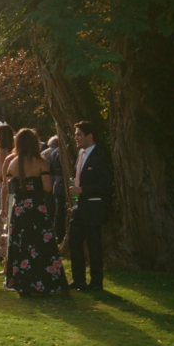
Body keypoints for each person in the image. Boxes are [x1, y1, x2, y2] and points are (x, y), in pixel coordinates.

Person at [4, 128, 70, 297]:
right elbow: (48, 187)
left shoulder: (13, 163)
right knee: (41, 244)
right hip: (36, 209)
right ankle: (45, 281)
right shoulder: (40, 163)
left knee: (21, 245)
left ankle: (22, 283)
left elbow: (8, 186)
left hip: (19, 209)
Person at [68, 121, 111, 292]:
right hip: (79, 207)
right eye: (75, 134)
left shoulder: (100, 157)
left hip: (93, 208)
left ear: (89, 136)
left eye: (79, 134)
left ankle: (96, 282)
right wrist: (75, 190)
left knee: (94, 246)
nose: (76, 138)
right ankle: (78, 280)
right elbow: (77, 176)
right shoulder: (80, 154)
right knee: (74, 243)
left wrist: (83, 190)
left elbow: (106, 184)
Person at [0, 124, 15, 267]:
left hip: (3, 187)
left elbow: (1, 174)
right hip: (11, 187)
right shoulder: (12, 150)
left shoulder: (2, 152)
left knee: (2, 221)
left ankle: (3, 254)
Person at [41, 135, 67, 242]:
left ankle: (55, 233)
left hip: (51, 184)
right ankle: (59, 234)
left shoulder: (43, 153)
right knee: (60, 209)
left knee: (53, 209)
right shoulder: (59, 152)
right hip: (59, 183)